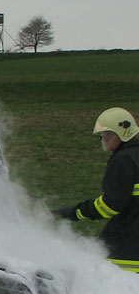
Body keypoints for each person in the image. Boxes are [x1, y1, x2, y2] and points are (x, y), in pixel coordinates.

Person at [53, 107, 139, 274]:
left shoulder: (123, 160)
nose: (103, 139)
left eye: (107, 135)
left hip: (128, 246)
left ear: (122, 134)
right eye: (101, 135)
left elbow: (111, 205)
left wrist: (75, 212)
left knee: (105, 274)